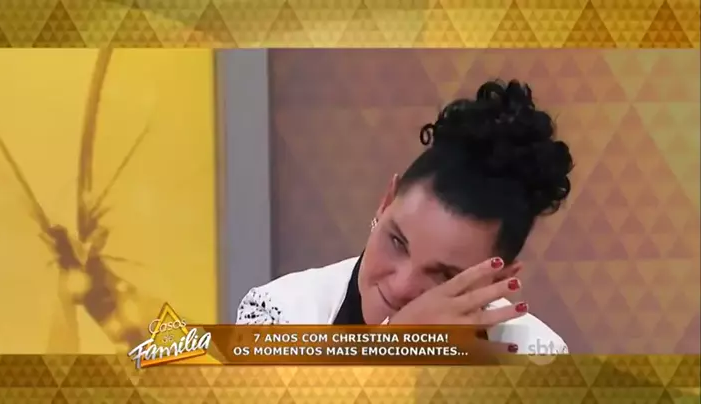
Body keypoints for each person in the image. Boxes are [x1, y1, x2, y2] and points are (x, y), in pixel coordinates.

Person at [236, 80, 574, 354]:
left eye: (444, 275)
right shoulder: (279, 312)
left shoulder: (537, 355)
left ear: (496, 281)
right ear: (385, 203)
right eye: (397, 241)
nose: (401, 286)